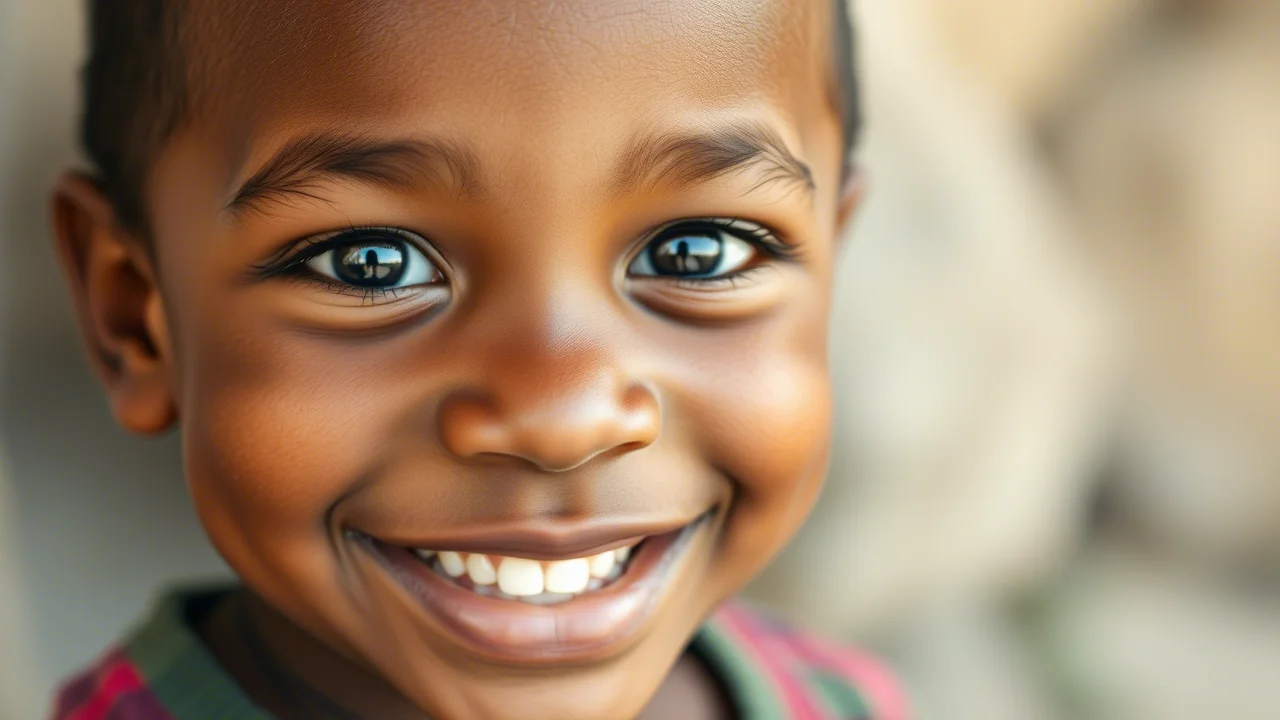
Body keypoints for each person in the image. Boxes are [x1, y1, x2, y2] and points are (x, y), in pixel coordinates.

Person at [47, 1, 905, 718]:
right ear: (137, 318)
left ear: (832, 261)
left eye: (697, 253)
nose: (561, 420)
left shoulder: (841, 697)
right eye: (370, 263)